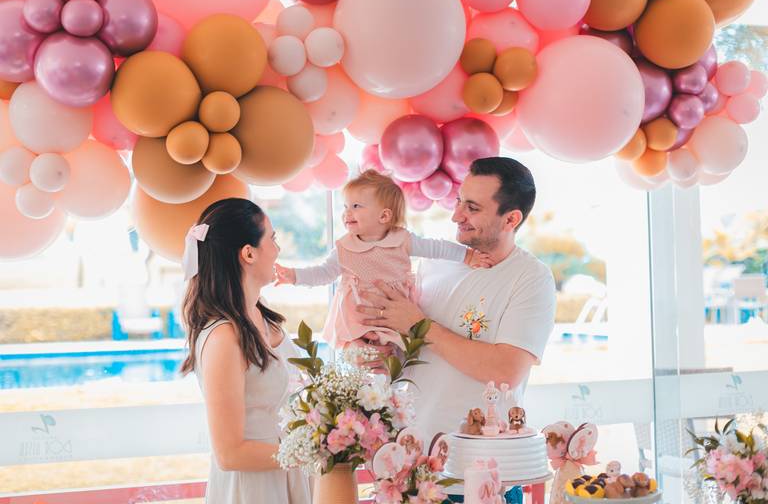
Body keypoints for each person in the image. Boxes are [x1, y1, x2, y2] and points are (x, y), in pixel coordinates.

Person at [353, 157, 556, 504]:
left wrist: (417, 324)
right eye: (459, 201)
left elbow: (505, 369)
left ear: (511, 219)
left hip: (477, 480)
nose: (456, 215)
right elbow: (415, 351)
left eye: (472, 207)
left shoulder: (531, 279)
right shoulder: (434, 262)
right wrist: (381, 349)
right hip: (407, 469)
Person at [180, 198, 310, 504]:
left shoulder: (262, 317)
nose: (278, 250)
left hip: (287, 473)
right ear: (248, 253)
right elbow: (229, 453)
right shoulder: (224, 336)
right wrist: (317, 450)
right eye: (273, 239)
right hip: (254, 489)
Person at [275, 169, 490, 349]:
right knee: (362, 358)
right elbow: (323, 273)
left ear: (384, 216)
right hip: (357, 317)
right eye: (346, 206)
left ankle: (389, 393)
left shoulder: (401, 240)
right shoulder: (344, 247)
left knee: (394, 358)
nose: (347, 213)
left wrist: (467, 255)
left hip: (396, 313)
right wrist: (294, 276)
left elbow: (436, 247)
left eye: (356, 206)